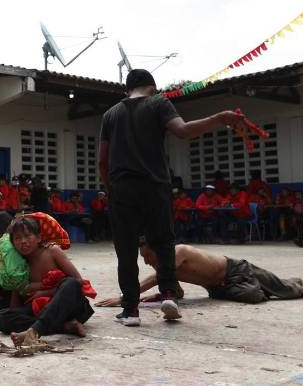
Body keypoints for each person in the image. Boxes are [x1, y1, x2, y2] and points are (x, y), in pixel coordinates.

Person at [98, 68, 243, 326]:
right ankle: (168, 294)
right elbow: (184, 131)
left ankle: (130, 310)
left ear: (126, 90)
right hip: (155, 186)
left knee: (126, 250)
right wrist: (219, 118)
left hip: (122, 189)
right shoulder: (158, 102)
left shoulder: (110, 114)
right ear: (152, 87)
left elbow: (102, 161)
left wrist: (111, 191)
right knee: (163, 242)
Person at [97, 241, 303, 307]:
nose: (146, 262)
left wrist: (127, 297)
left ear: (158, 251)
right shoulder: (163, 267)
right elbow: (178, 290)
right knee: (253, 296)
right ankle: (255, 287)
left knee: (285, 290)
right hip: (219, 287)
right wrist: (163, 295)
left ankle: (302, 282)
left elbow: (157, 278)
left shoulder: (179, 251)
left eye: (147, 257)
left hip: (237, 269)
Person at [0, 217, 95, 346]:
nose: (23, 241)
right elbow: (16, 293)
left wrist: (47, 292)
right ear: (13, 243)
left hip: (70, 308)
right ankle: (65, 327)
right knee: (2, 317)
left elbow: (79, 282)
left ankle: (35, 331)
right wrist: (4, 320)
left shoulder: (52, 251)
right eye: (17, 238)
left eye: (28, 236)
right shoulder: (18, 264)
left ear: (39, 237)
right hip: (42, 311)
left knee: (71, 283)